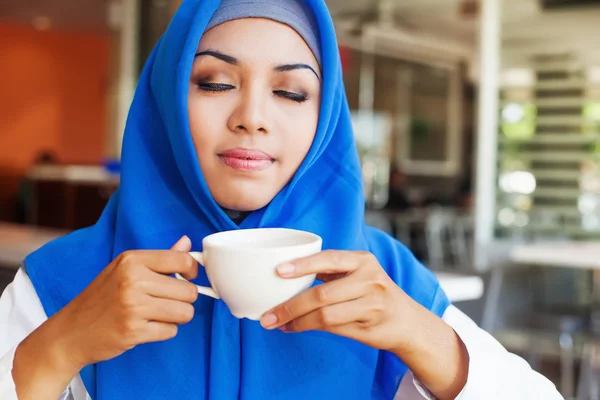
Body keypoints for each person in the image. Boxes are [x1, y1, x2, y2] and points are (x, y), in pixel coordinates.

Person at [0, 1, 562, 399]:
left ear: (325, 118)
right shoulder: (64, 282)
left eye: (291, 92)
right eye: (215, 83)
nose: (252, 117)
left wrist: (425, 338)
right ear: (167, 102)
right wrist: (59, 347)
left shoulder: (381, 280)